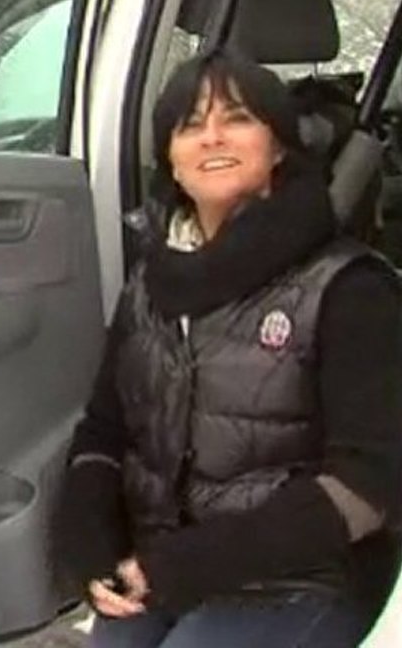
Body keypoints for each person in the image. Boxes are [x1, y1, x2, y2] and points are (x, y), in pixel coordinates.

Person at [56, 48, 402, 647]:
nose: (212, 136)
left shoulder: (349, 286)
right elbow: (103, 435)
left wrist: (181, 565)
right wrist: (91, 550)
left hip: (309, 577)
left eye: (238, 117)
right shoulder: (150, 284)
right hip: (164, 567)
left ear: (279, 147)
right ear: (171, 158)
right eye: (190, 124)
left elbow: (367, 487)